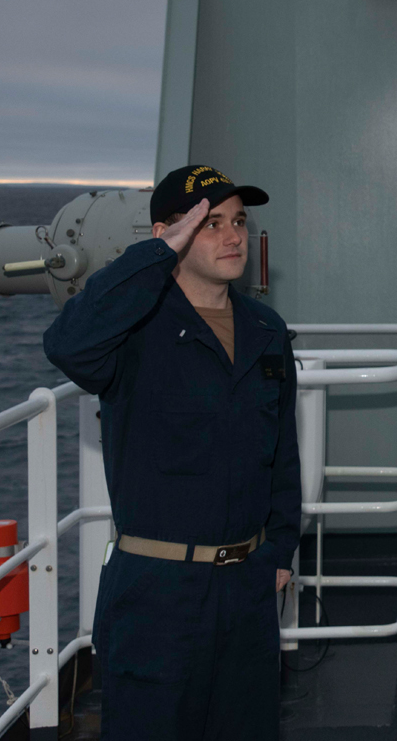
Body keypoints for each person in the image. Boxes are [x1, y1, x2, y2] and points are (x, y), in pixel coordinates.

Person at [44, 165, 300, 740]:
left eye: (238, 221)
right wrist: (154, 255)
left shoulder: (266, 329)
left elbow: (281, 453)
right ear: (170, 234)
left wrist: (280, 550)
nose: (234, 236)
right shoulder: (132, 331)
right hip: (158, 594)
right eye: (210, 225)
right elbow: (66, 345)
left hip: (247, 592)